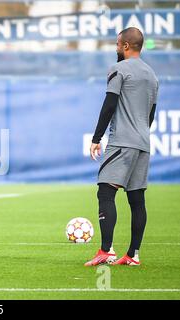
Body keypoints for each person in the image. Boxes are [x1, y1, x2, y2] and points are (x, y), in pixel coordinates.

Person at [85, 27, 158, 267]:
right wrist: (140, 134)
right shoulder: (152, 75)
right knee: (137, 199)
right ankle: (133, 254)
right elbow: (151, 114)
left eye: (118, 44)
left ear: (126, 46)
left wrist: (97, 138)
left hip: (121, 141)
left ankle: (106, 251)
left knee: (105, 192)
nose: (116, 48)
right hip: (143, 143)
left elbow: (109, 105)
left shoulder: (118, 69)